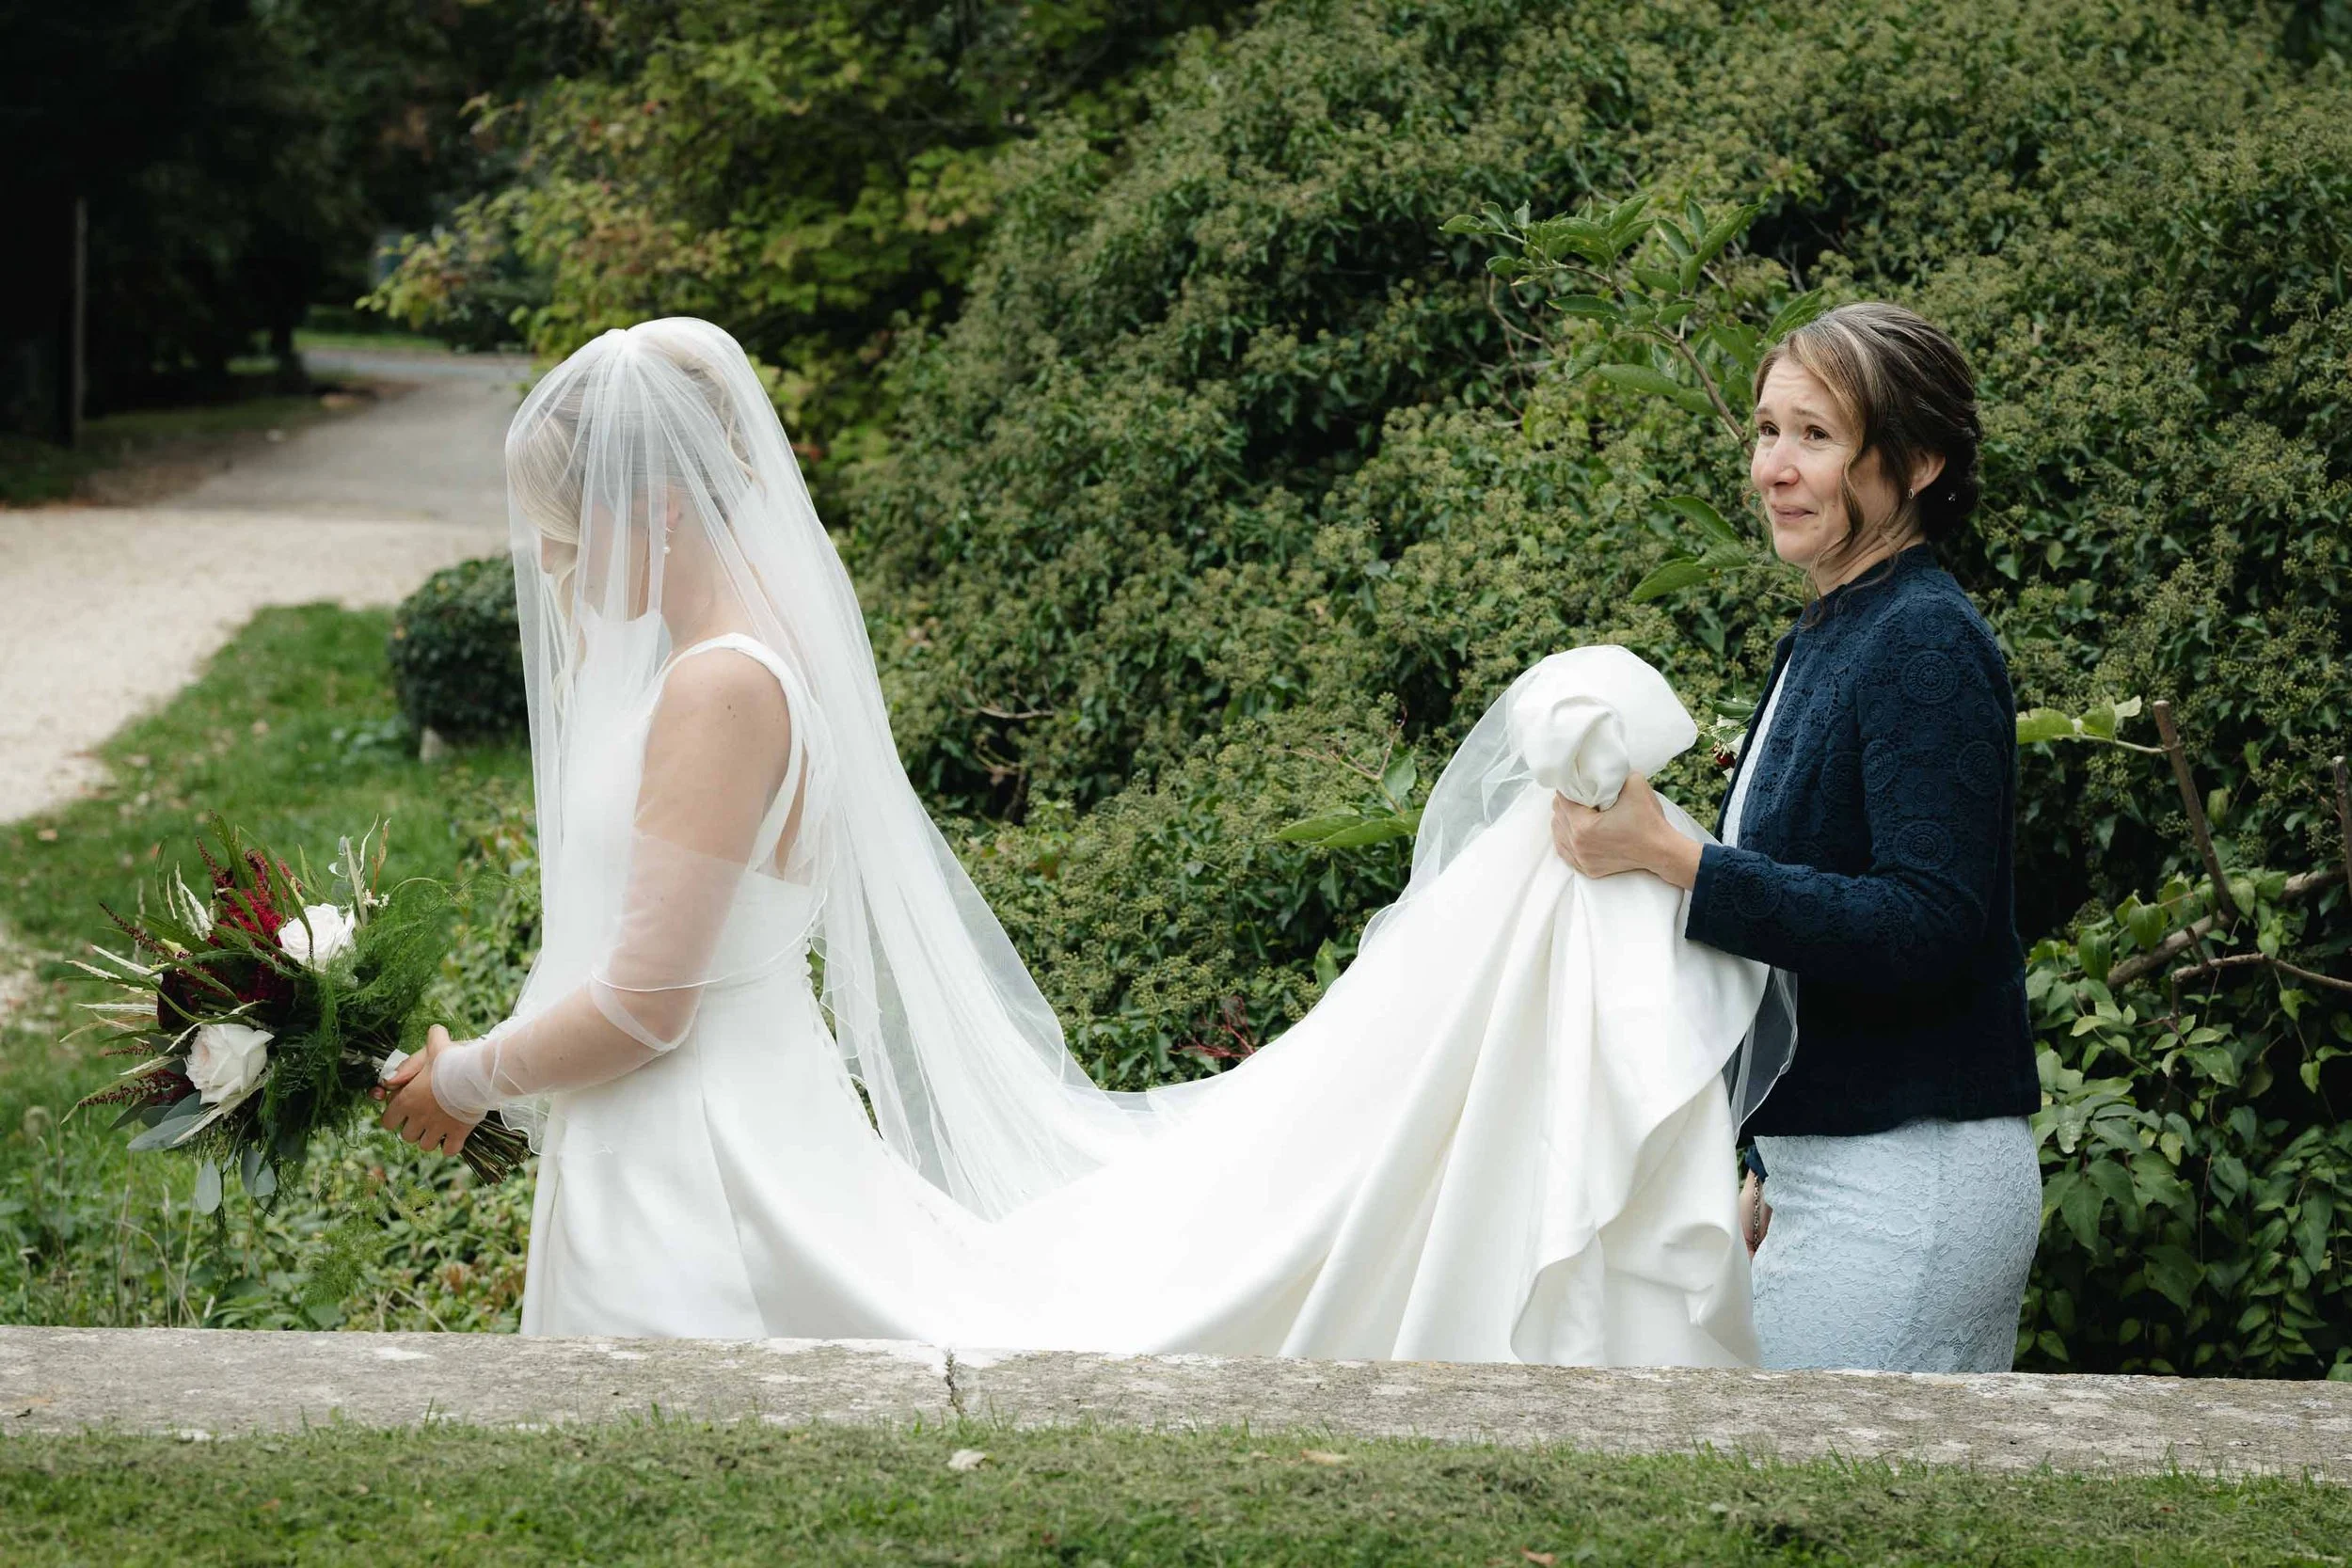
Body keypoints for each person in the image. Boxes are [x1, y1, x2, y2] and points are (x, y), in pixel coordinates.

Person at [376, 316, 1777, 1363]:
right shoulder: (747, 651)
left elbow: (647, 998)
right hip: (700, 1130)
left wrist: (475, 1076)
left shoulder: (715, 685)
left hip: (702, 1169)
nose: (553, 564)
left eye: (566, 530)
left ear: (656, 499)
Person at [1551, 303, 2042, 1372]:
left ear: (1914, 461)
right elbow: (1818, 933)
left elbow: (1926, 923)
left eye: (1814, 435)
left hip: (1912, 1179)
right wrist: (1770, 1163)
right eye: (1767, 431)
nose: (1775, 466)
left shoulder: (1922, 640)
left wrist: (1675, 858)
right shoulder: (1833, 628)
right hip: (1830, 1167)